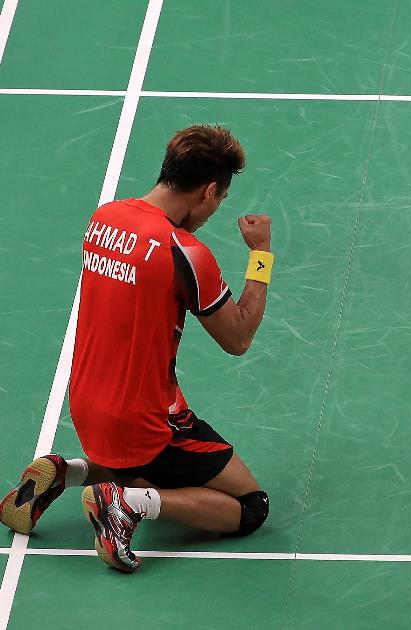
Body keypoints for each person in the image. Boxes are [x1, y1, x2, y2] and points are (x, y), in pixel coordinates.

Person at [0, 125, 275, 573]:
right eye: (219, 200)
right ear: (208, 191)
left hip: (87, 407)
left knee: (146, 467)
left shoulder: (104, 219)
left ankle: (68, 472)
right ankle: (127, 505)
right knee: (249, 505)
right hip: (145, 422)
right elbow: (238, 338)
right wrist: (261, 255)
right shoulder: (184, 251)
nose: (212, 211)